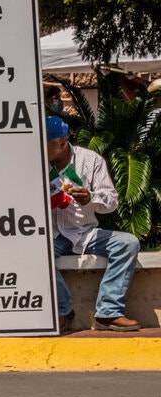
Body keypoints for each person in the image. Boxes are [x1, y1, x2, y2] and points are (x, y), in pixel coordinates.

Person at [48, 115, 143, 332]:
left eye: (47, 144)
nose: (41, 148)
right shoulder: (35, 164)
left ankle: (108, 313)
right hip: (53, 234)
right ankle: (63, 311)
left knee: (128, 243)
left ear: (62, 143)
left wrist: (91, 198)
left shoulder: (91, 160)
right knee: (37, 253)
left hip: (86, 232)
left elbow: (111, 201)